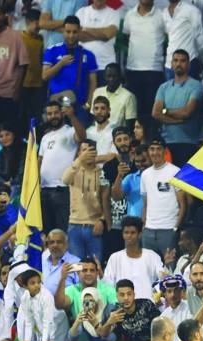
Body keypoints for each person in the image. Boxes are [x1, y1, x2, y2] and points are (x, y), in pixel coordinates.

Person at [39, 100, 86, 233]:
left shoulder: (70, 131)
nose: (53, 116)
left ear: (62, 113)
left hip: (63, 190)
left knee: (63, 231)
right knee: (47, 231)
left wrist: (72, 117)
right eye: (49, 114)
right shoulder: (45, 137)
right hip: (44, 190)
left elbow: (82, 136)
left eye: (56, 112)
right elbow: (40, 161)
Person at [152, 50, 202, 166]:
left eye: (182, 61)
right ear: (171, 63)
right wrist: (176, 120)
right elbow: (155, 113)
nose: (179, 64)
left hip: (188, 143)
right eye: (176, 60)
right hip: (166, 143)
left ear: (188, 64)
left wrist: (165, 111)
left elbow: (186, 112)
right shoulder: (163, 87)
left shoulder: (196, 85)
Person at [62, 139, 109, 259]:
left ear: (96, 152)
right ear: (78, 153)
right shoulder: (73, 170)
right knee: (76, 266)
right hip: (74, 225)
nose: (87, 154)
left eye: (91, 151)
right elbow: (65, 180)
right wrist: (79, 160)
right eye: (84, 151)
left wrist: (102, 220)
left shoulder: (102, 173)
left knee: (96, 266)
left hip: (94, 226)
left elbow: (106, 199)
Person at [139, 138, 185, 256]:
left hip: (168, 229)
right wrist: (144, 226)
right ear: (148, 151)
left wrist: (175, 228)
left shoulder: (175, 172)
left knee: (170, 269)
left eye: (159, 149)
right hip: (149, 230)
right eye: (152, 149)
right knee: (149, 269)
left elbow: (183, 204)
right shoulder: (145, 174)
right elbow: (145, 204)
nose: (155, 153)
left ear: (165, 151)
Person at [41, 15, 98, 108]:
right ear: (62, 30)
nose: (71, 36)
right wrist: (61, 63)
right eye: (68, 32)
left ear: (79, 31)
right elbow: (45, 76)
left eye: (74, 32)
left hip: (79, 105)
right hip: (57, 104)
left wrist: (88, 105)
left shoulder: (88, 55)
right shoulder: (51, 51)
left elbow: (93, 83)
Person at [122, 0, 166, 119]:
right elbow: (126, 36)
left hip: (154, 71)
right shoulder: (129, 15)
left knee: (151, 112)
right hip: (133, 70)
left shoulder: (162, 15)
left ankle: (151, 137)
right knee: (133, 111)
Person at [90, 64, 137, 128]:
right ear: (104, 77)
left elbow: (130, 125)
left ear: (120, 77)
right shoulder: (97, 92)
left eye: (114, 76)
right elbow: (94, 117)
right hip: (97, 133)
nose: (111, 79)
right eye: (108, 76)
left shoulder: (129, 96)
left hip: (117, 135)